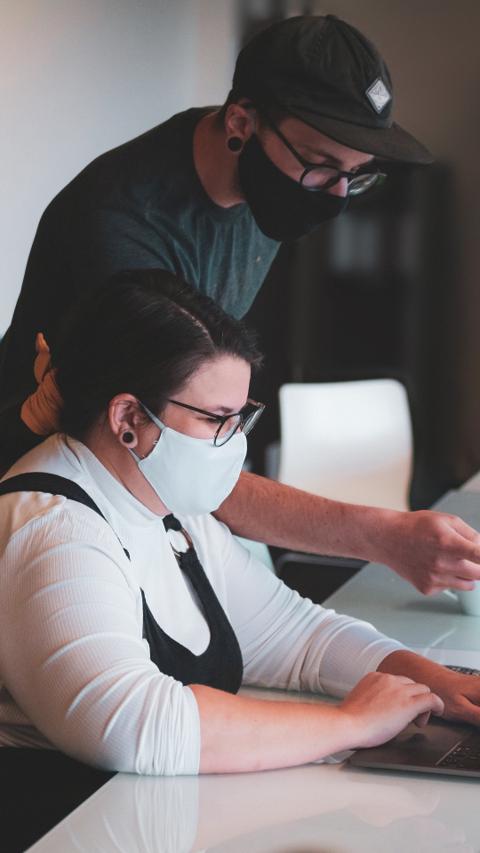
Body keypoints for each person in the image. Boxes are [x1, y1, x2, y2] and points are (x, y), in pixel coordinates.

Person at [1, 14, 479, 595]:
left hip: (144, 483)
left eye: (354, 176)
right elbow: (180, 464)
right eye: (321, 165)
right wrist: (383, 536)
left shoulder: (260, 187)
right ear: (241, 123)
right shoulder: (123, 229)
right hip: (47, 493)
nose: (335, 195)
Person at [1, 268, 480, 787]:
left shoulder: (170, 507)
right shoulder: (53, 530)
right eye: (216, 419)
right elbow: (130, 723)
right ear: (128, 419)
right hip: (63, 813)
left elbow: (296, 638)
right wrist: (351, 724)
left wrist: (436, 682)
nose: (234, 441)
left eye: (240, 418)